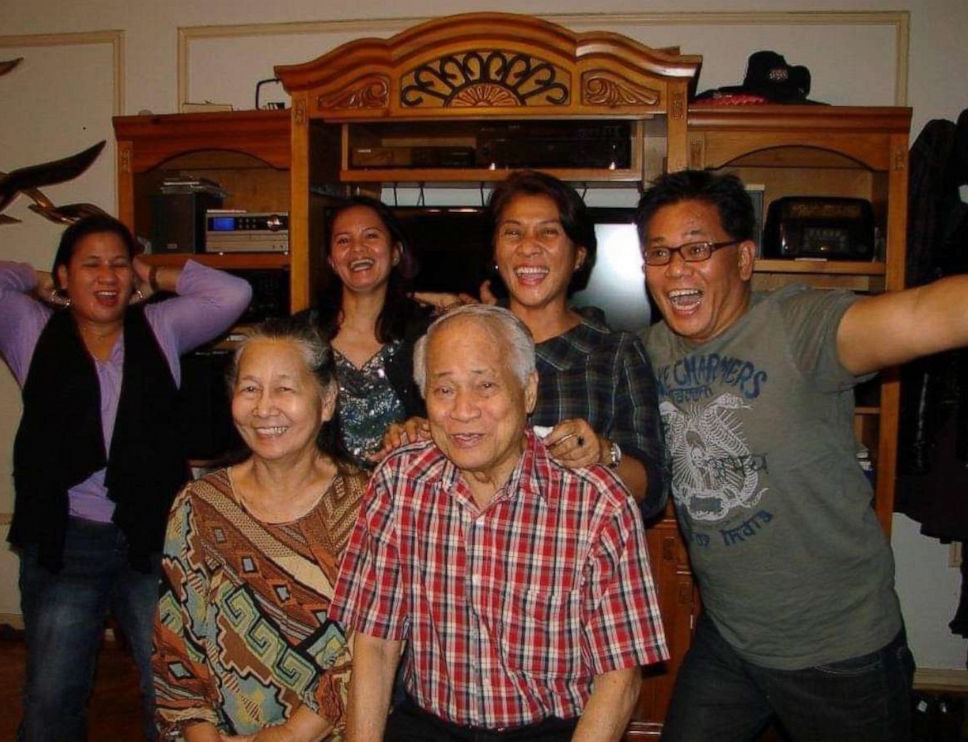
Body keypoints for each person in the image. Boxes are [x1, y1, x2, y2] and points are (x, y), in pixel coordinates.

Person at [634, 169, 966, 741]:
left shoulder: (798, 326)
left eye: (696, 248)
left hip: (840, 652)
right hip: (730, 638)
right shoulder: (649, 350)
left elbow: (921, 316)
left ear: (742, 260)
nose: (676, 269)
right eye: (659, 253)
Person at [330, 304, 668, 742]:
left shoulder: (596, 501)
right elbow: (375, 643)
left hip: (551, 729)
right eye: (444, 390)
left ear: (528, 391)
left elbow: (620, 676)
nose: (463, 410)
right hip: (428, 724)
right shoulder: (400, 481)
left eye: (485, 385)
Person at [0, 214, 252, 741]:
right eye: (91, 265)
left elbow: (232, 293)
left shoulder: (161, 328)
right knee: (51, 700)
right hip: (66, 541)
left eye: (119, 265)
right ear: (65, 275)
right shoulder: (30, 330)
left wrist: (157, 274)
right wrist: (35, 280)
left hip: (151, 539)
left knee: (169, 690)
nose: (107, 277)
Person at [384, 170, 669, 517]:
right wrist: (415, 432)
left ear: (579, 255)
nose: (528, 247)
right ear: (495, 252)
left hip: (565, 555)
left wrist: (602, 453)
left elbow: (652, 491)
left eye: (548, 232)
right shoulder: (457, 340)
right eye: (513, 232)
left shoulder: (613, 353)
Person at [153, 317, 364, 741]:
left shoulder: (368, 504)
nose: (264, 408)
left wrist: (291, 734)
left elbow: (371, 647)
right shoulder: (199, 506)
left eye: (285, 388)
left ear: (326, 401)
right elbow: (176, 643)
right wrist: (201, 735)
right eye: (249, 388)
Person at [295, 196, 433, 469]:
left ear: (395, 252)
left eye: (371, 236)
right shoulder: (300, 335)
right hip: (317, 496)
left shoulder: (429, 334)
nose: (358, 249)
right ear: (332, 261)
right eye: (343, 241)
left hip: (403, 494)